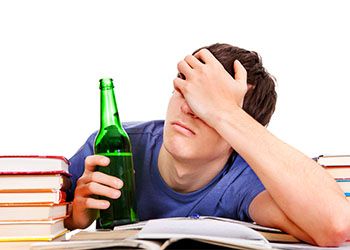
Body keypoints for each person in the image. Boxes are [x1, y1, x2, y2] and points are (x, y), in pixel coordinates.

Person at [64, 43, 350, 246]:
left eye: (207, 105)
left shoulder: (245, 179)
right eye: (185, 91)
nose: (189, 109)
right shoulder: (113, 147)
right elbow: (33, 218)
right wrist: (72, 218)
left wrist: (226, 112)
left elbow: (336, 226)